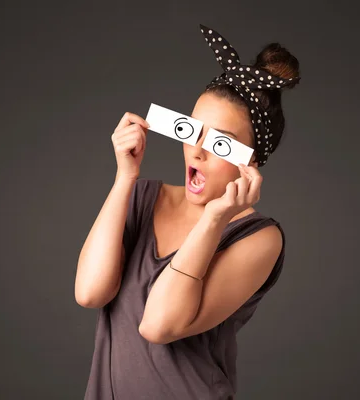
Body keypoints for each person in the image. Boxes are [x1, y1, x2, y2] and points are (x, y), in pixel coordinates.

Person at [76, 24, 301, 400]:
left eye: (221, 143)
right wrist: (125, 177)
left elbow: (158, 325)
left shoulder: (261, 238)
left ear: (252, 161)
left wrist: (214, 218)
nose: (197, 151)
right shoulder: (142, 197)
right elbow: (90, 292)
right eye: (192, 131)